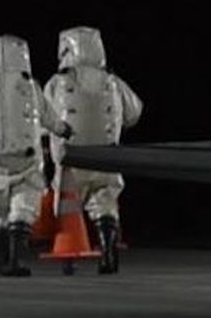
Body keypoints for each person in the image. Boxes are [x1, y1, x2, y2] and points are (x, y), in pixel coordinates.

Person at [0, 34, 66, 276]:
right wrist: (63, 129)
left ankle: (4, 256)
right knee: (23, 207)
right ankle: (15, 259)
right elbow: (50, 118)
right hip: (26, 158)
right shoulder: (32, 87)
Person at [44, 26, 144, 273]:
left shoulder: (57, 83)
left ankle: (68, 257)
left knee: (68, 210)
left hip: (70, 162)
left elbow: (41, 119)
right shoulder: (113, 81)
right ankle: (108, 252)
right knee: (105, 203)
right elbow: (135, 112)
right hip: (106, 158)